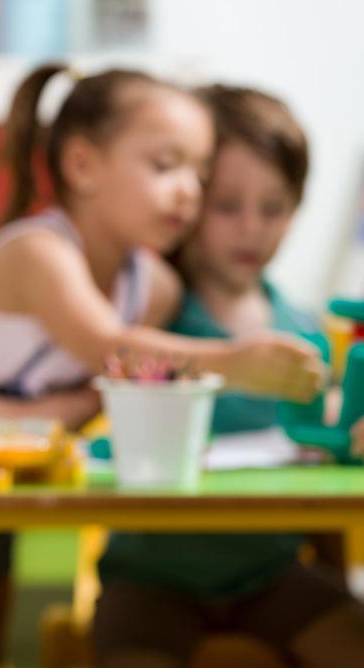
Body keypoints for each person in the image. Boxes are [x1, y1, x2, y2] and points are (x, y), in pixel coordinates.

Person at [0, 65, 324, 668]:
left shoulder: (155, 287)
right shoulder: (40, 253)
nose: (188, 190)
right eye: (166, 166)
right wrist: (233, 362)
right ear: (84, 166)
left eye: (198, 170)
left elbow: (105, 389)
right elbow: (110, 351)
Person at [94, 84, 364, 668]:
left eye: (273, 208)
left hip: (270, 576)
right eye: (227, 206)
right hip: (148, 579)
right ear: (190, 202)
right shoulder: (156, 312)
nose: (251, 228)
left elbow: (324, 464)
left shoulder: (304, 330)